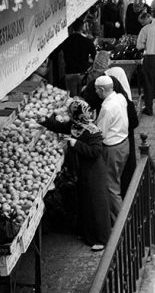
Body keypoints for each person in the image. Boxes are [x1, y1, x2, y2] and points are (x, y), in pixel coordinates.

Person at [39, 98, 110, 251]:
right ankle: (88, 235)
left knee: (96, 205)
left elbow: (96, 151)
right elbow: (60, 126)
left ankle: (101, 238)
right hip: (82, 170)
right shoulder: (76, 125)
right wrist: (45, 121)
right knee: (85, 203)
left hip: (94, 172)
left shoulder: (93, 130)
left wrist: (75, 144)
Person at [94, 75, 130, 221]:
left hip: (112, 149)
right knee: (116, 180)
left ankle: (121, 221)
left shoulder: (107, 107)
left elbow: (100, 132)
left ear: (102, 89)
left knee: (111, 187)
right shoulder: (120, 98)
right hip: (124, 144)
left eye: (97, 90)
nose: (96, 93)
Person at [104, 66, 139, 196]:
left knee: (114, 179)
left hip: (116, 144)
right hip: (125, 141)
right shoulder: (123, 100)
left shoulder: (111, 105)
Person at [59, 19, 96, 96]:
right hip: (82, 75)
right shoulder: (87, 41)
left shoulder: (66, 41)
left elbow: (54, 54)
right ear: (82, 27)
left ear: (72, 28)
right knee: (83, 97)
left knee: (72, 99)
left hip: (69, 73)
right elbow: (94, 57)